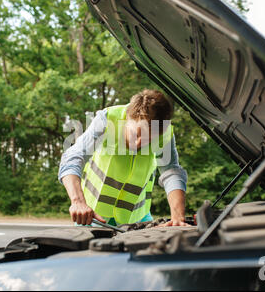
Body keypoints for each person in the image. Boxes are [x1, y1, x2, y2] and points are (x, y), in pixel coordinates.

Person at [58, 89, 188, 227]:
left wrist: (178, 217)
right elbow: (73, 157)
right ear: (127, 117)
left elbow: (171, 172)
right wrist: (77, 201)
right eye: (136, 134)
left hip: (137, 216)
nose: (139, 143)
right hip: (94, 215)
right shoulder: (107, 120)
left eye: (149, 139)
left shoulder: (164, 133)